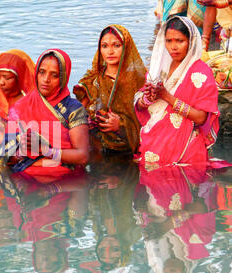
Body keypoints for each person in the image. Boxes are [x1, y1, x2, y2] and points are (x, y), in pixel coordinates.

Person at [135, 16, 225, 167]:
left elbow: (201, 118)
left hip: (186, 148)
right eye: (169, 41)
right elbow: (141, 105)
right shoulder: (159, 68)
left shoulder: (201, 72)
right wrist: (148, 98)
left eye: (180, 41)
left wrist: (166, 96)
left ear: (191, 42)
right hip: (154, 142)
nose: (173, 47)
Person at [0, 49, 89, 181]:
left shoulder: (73, 109)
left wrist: (45, 150)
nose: (46, 79)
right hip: (25, 179)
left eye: (54, 75)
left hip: (64, 180)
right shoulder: (21, 106)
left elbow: (82, 157)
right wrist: (22, 151)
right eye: (42, 72)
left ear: (63, 78)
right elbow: (7, 158)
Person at [73, 25, 146, 156]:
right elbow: (78, 115)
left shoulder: (139, 81)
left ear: (127, 48)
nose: (110, 51)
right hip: (96, 149)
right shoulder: (92, 81)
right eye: (104, 46)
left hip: (127, 151)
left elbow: (149, 121)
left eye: (116, 46)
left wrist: (121, 125)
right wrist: (88, 120)